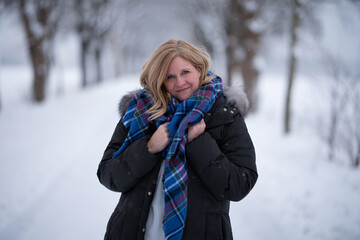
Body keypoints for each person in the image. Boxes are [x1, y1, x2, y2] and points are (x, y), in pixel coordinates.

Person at [97, 39, 258, 240]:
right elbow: (108, 174)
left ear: (199, 69)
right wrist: (148, 149)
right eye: (170, 77)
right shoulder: (140, 112)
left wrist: (199, 143)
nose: (180, 83)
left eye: (185, 72)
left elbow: (239, 184)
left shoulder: (225, 115)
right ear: (160, 80)